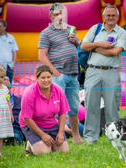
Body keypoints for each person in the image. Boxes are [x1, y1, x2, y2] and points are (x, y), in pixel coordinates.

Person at [80, 4, 126, 144]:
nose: (111, 17)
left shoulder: (121, 32)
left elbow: (115, 52)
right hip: (93, 70)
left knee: (112, 106)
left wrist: (94, 48)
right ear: (104, 16)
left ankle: (114, 137)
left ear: (117, 17)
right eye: (108, 15)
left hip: (111, 71)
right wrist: (100, 43)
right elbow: (83, 46)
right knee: (91, 105)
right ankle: (90, 137)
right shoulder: (95, 29)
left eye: (113, 15)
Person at [38, 2, 83, 144]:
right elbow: (42, 56)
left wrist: (77, 41)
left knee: (74, 107)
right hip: (59, 75)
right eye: (56, 14)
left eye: (61, 13)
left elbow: (79, 48)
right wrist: (55, 72)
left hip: (73, 74)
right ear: (51, 16)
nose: (59, 16)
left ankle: (76, 136)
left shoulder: (71, 29)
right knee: (57, 108)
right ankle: (58, 136)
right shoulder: (46, 33)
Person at [19, 65, 69, 155]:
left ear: (52, 77)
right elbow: (26, 118)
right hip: (32, 125)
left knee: (64, 151)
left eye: (48, 77)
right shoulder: (29, 93)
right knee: (44, 152)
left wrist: (61, 133)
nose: (46, 80)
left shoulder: (58, 90)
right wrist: (43, 135)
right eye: (43, 78)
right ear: (36, 78)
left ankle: (48, 143)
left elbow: (63, 113)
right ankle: (30, 144)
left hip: (51, 123)